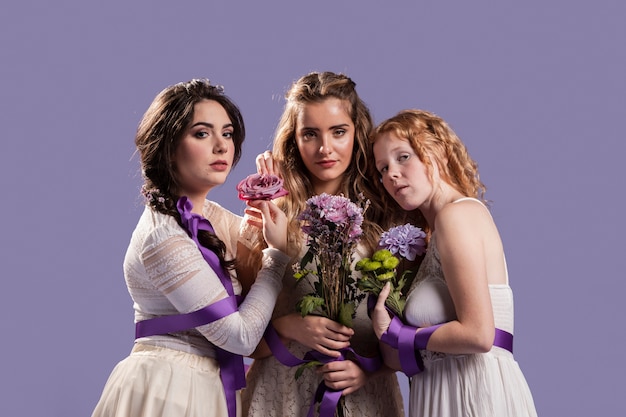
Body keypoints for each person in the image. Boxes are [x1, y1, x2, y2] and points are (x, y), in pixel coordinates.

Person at [91, 79, 291, 417]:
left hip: (201, 385)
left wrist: (271, 205)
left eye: (227, 134)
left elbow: (249, 253)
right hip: (169, 389)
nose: (221, 146)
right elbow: (240, 337)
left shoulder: (205, 215)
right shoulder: (163, 237)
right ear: (168, 147)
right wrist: (277, 258)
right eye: (202, 134)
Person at [239, 71, 405, 417]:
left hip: (366, 398)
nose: (325, 148)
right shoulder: (266, 215)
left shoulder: (389, 214)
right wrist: (288, 327)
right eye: (310, 134)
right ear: (294, 139)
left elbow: (413, 327)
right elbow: (236, 334)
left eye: (338, 132)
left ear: (357, 133)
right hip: (280, 397)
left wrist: (371, 368)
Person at [370, 109, 538, 416]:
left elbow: (479, 334)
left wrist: (398, 334)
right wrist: (378, 320)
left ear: (439, 153)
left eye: (403, 157)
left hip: (474, 397)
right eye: (382, 168)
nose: (391, 174)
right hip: (441, 395)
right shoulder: (431, 237)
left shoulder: (457, 215)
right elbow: (409, 359)